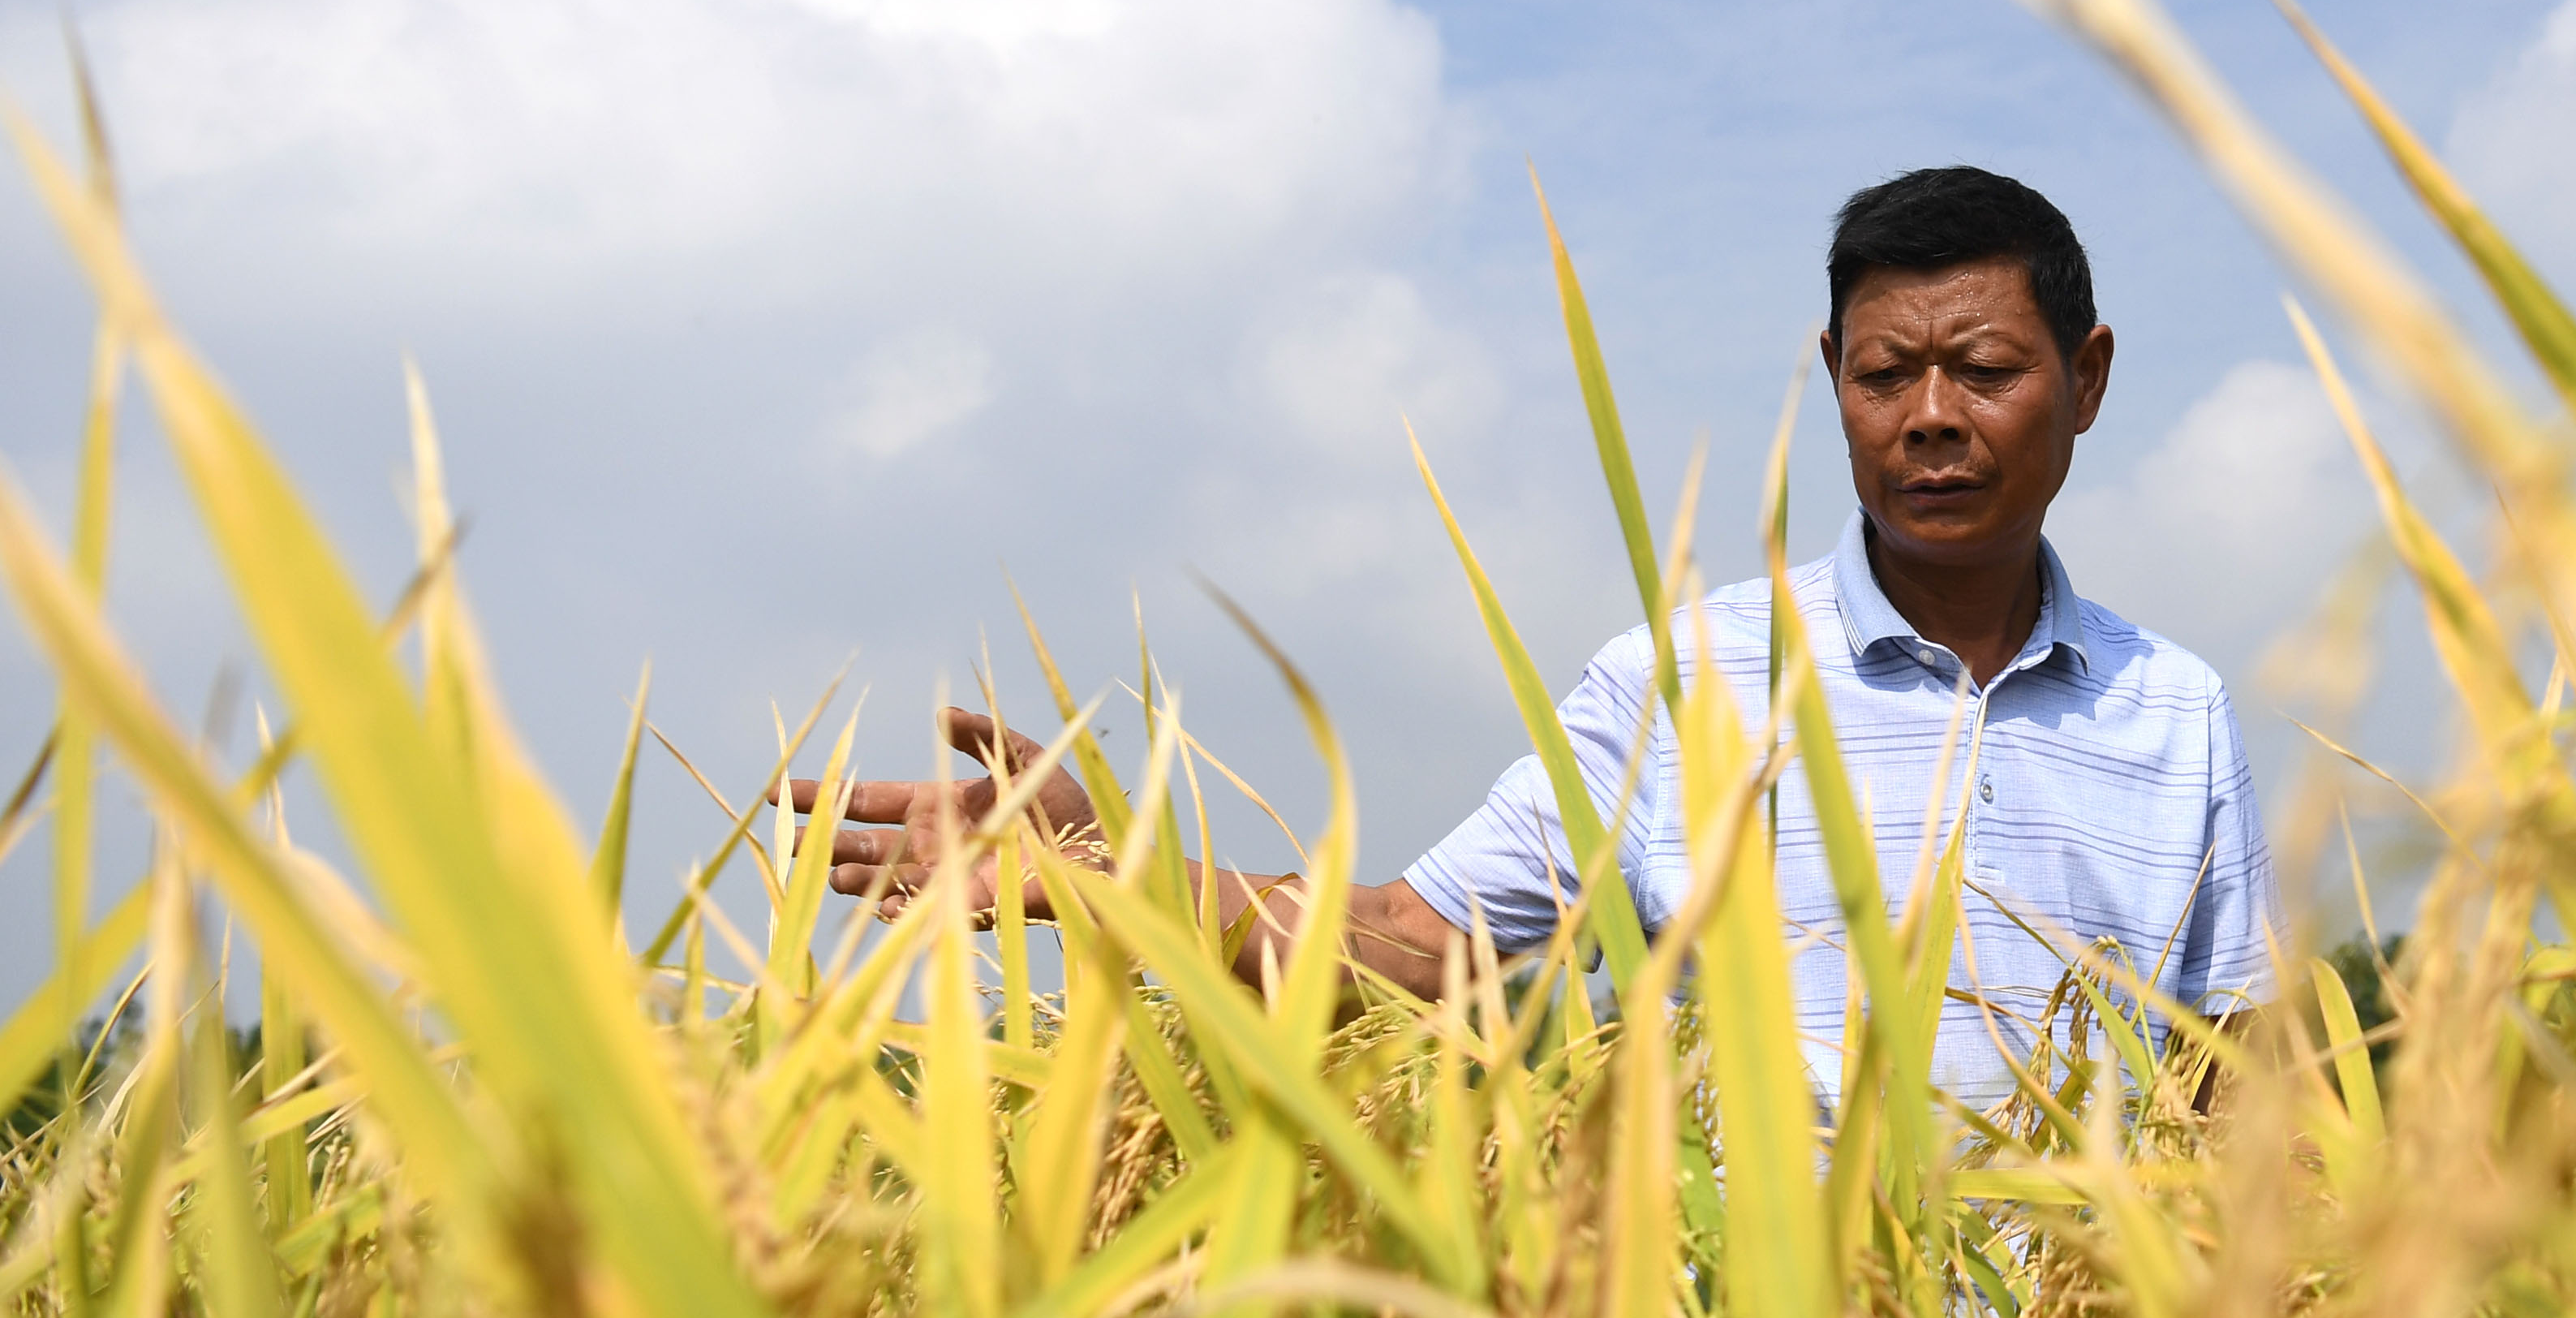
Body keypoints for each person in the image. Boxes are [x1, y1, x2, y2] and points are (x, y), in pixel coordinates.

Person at [793, 164, 2277, 1109]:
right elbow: (1427, 945)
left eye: (1988, 370)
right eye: (1888, 373)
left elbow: (2242, 1076)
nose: (1933, 417)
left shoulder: (2176, 710)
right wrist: (1107, 872)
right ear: (1833, 378)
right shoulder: (1690, 682)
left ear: (2085, 381)